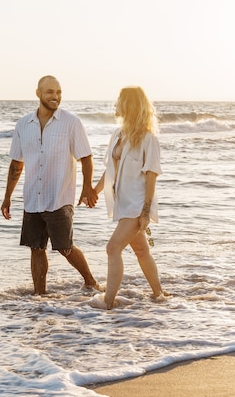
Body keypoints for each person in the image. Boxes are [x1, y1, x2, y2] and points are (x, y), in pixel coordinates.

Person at [1, 75, 103, 295]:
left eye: (58, 92)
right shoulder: (23, 125)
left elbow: (86, 157)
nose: (55, 97)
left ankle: (91, 281)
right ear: (38, 94)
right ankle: (39, 295)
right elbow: (16, 164)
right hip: (32, 199)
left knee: (64, 247)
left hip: (59, 197)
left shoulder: (71, 122)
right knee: (36, 249)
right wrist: (7, 196)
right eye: (50, 92)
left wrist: (88, 187)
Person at [94, 86, 167, 309]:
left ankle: (108, 301)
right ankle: (159, 294)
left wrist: (146, 211)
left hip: (137, 205)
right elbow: (110, 169)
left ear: (130, 105)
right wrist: (92, 192)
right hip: (122, 203)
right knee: (142, 251)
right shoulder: (118, 135)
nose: (116, 105)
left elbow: (152, 175)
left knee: (113, 248)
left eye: (120, 101)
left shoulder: (148, 138)